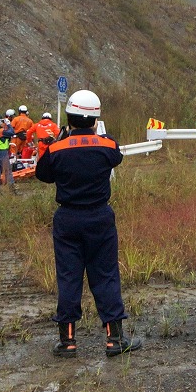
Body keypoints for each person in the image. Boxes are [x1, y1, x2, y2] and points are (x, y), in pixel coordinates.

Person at [36, 89, 141, 358]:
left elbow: (43, 174)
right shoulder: (106, 146)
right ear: (95, 120)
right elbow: (116, 154)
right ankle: (114, 339)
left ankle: (67, 342)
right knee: (105, 275)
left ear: (68, 119)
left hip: (67, 219)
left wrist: (60, 140)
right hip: (100, 218)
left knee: (69, 278)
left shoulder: (56, 149)